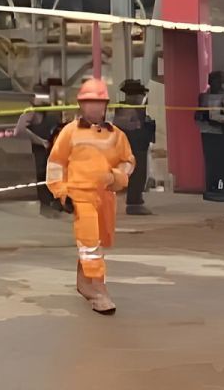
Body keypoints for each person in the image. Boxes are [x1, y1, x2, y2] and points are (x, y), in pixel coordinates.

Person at [46, 78, 135, 315]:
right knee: (89, 242)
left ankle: (83, 283)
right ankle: (99, 291)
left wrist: (116, 177)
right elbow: (56, 163)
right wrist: (61, 192)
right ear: (81, 105)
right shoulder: (69, 133)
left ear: (105, 105)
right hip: (80, 195)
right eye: (89, 103)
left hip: (105, 197)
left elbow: (128, 162)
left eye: (98, 102)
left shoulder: (116, 136)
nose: (94, 108)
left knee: (100, 241)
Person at [13, 84, 60, 216]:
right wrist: (40, 141)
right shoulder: (30, 113)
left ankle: (53, 205)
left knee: (53, 176)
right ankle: (46, 208)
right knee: (41, 176)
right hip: (41, 151)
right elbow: (19, 130)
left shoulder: (51, 113)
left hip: (54, 150)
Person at [113, 79, 155, 215]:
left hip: (139, 144)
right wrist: (138, 125)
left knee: (140, 174)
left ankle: (136, 201)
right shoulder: (126, 109)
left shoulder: (136, 109)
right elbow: (121, 125)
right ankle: (134, 203)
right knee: (136, 175)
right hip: (132, 145)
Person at [196, 70, 224, 202]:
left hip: (222, 133)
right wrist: (204, 118)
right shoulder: (204, 96)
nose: (214, 83)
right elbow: (198, 116)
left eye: (217, 80)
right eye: (212, 80)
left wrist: (217, 120)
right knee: (211, 163)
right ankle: (212, 188)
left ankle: (223, 187)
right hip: (208, 133)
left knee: (223, 162)